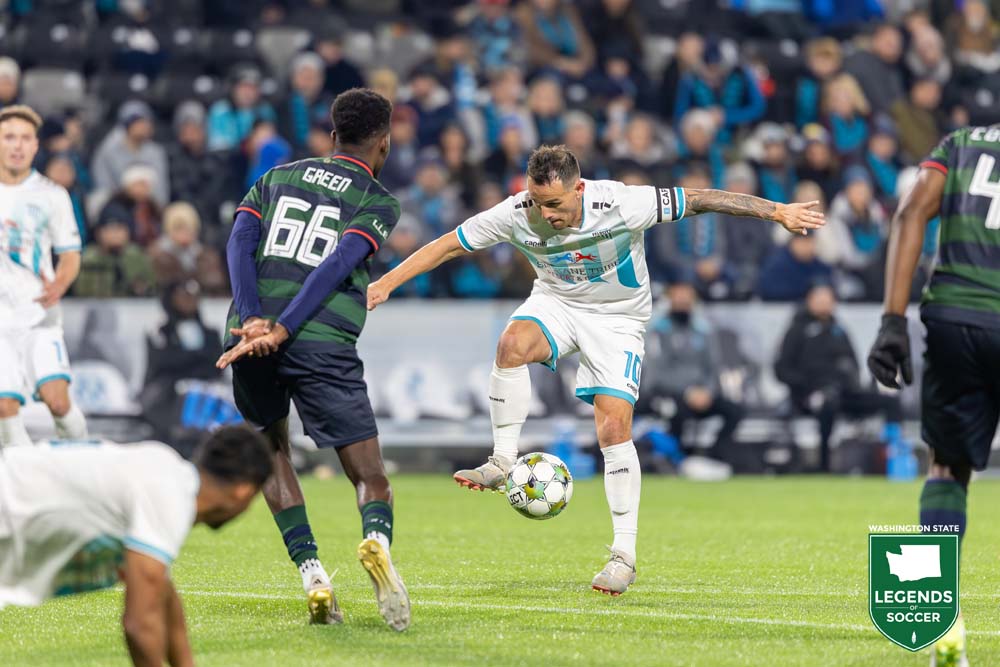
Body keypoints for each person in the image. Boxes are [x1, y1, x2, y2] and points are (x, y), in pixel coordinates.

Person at [367, 144, 824, 595]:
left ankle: (623, 556)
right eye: (538, 202)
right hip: (557, 303)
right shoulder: (516, 211)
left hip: (619, 320)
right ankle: (503, 460)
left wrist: (776, 211)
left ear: (579, 188)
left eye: (555, 203)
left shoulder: (623, 203)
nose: (546, 214)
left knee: (612, 430)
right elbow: (448, 245)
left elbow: (703, 199)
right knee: (511, 345)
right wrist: (384, 284)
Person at [214, 88, 409, 631]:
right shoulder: (378, 201)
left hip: (246, 337)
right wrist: (286, 327)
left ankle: (312, 574)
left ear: (332, 135)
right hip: (320, 340)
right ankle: (375, 542)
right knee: (369, 476)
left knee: (271, 448)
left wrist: (254, 319)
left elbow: (238, 245)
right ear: (384, 145)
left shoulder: (275, 177)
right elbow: (337, 263)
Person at [867, 123, 1000, 666]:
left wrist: (892, 321)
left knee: (946, 468)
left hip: (955, 316)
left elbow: (911, 212)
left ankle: (939, 623)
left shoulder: (962, 144)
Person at [0, 426, 273, 667]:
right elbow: (139, 625)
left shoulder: (167, 470)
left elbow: (163, 595)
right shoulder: (170, 497)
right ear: (245, 491)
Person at [0, 105, 87, 448]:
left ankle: (83, 464)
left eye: (24, 138)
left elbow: (70, 254)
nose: (17, 146)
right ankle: (24, 490)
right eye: (9, 137)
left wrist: (61, 282)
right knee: (5, 406)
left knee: (59, 404)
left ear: (36, 146)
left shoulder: (52, 195)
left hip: (38, 317)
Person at [775, 283, 902, 473]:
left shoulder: (839, 330)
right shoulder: (797, 330)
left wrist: (854, 381)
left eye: (828, 299)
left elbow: (854, 363)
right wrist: (806, 386)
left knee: (891, 403)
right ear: (809, 300)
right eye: (819, 298)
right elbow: (781, 369)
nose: (824, 303)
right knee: (827, 404)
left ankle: (892, 456)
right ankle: (824, 466)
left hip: (845, 392)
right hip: (809, 395)